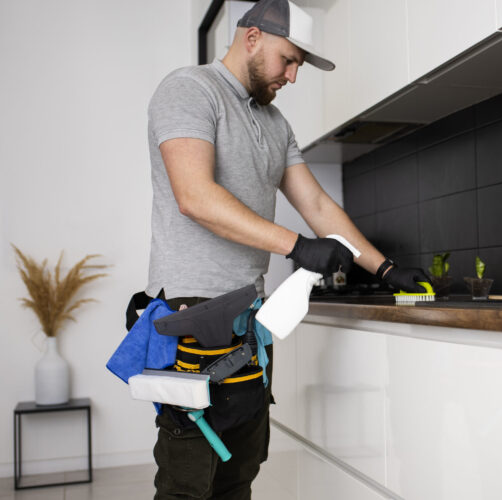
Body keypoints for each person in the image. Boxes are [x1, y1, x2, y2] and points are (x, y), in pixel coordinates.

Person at [144, 0, 428, 498]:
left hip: (249, 323)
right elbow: (195, 197)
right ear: (252, 38)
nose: (293, 76)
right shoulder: (189, 90)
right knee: (188, 483)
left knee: (239, 473)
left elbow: (316, 203)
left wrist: (384, 269)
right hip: (191, 318)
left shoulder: (275, 123)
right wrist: (296, 246)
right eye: (289, 59)